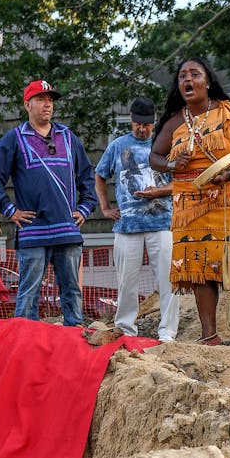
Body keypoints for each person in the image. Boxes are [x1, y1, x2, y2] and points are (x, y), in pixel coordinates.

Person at [149, 56, 230, 345]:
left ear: (207, 81)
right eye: (182, 77)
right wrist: (174, 164)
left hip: (228, 198)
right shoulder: (176, 120)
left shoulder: (229, 111)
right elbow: (155, 157)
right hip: (190, 205)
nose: (188, 80)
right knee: (201, 271)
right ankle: (209, 335)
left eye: (194, 74)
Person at [0, 80, 97, 326]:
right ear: (27, 105)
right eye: (40, 99)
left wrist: (85, 207)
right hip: (33, 231)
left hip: (67, 230)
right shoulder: (14, 139)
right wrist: (9, 210)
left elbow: (87, 175)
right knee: (28, 294)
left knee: (71, 291)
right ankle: (25, 346)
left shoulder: (68, 137)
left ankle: (74, 340)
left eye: (50, 99)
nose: (47, 104)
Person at [95, 97, 179, 342]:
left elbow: (181, 182)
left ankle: (168, 332)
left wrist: (159, 192)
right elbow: (100, 176)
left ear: (154, 122)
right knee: (126, 282)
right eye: (137, 124)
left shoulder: (166, 145)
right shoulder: (118, 145)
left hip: (161, 222)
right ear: (131, 121)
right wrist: (105, 208)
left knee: (168, 280)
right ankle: (126, 328)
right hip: (127, 225)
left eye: (147, 125)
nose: (142, 129)